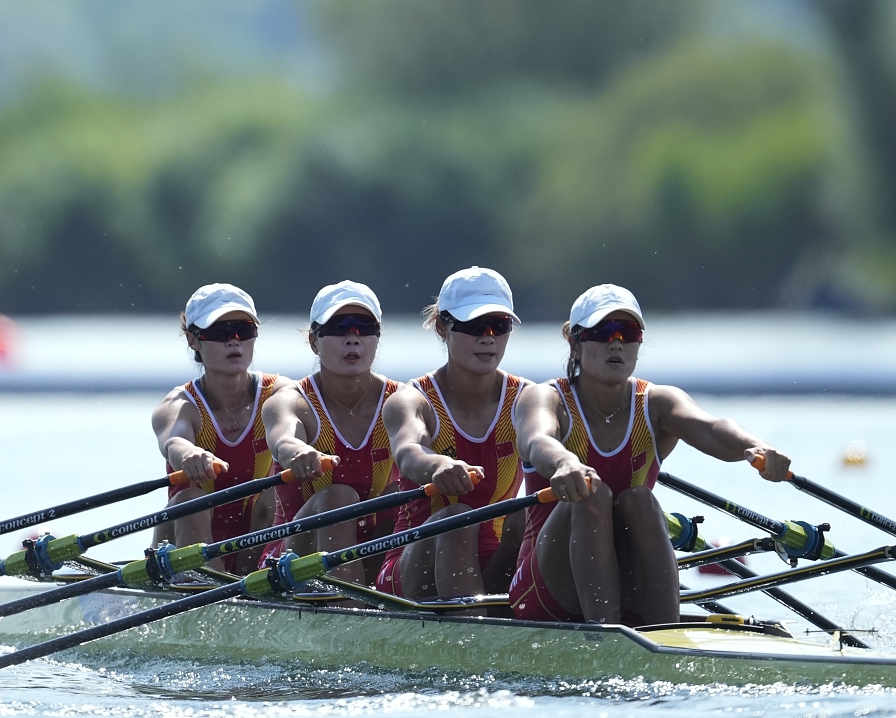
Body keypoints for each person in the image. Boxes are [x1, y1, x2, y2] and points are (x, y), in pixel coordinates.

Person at [510, 284, 793, 627]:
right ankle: (607, 637)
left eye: (628, 332)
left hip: (625, 586)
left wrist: (754, 445)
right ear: (575, 342)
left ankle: (666, 634)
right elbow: (537, 439)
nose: (616, 342)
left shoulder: (658, 403)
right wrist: (565, 462)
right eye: (602, 332)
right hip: (544, 592)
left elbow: (710, 427)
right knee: (592, 493)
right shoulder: (544, 398)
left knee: (640, 501)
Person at [380, 267, 529, 599]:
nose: (487, 337)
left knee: (527, 512)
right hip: (413, 564)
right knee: (457, 516)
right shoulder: (410, 400)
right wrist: (437, 466)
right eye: (474, 326)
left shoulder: (529, 399)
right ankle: (476, 635)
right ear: (441, 327)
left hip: (496, 560)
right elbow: (408, 450)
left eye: (499, 326)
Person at [262, 280, 403, 581]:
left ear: (377, 338)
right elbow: (283, 438)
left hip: (374, 548)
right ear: (314, 341)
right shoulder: (291, 401)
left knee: (401, 495)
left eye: (364, 327)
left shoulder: (402, 401)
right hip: (291, 559)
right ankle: (349, 608)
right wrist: (297, 451)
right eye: (339, 327)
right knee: (338, 496)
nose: (353, 338)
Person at [149, 283, 288, 572]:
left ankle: (254, 586)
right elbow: (174, 440)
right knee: (190, 499)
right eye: (219, 332)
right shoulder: (178, 405)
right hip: (186, 540)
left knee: (274, 494)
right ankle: (201, 582)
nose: (234, 341)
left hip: (258, 539)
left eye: (244, 330)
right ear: (193, 340)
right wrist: (187, 453)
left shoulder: (282, 394)